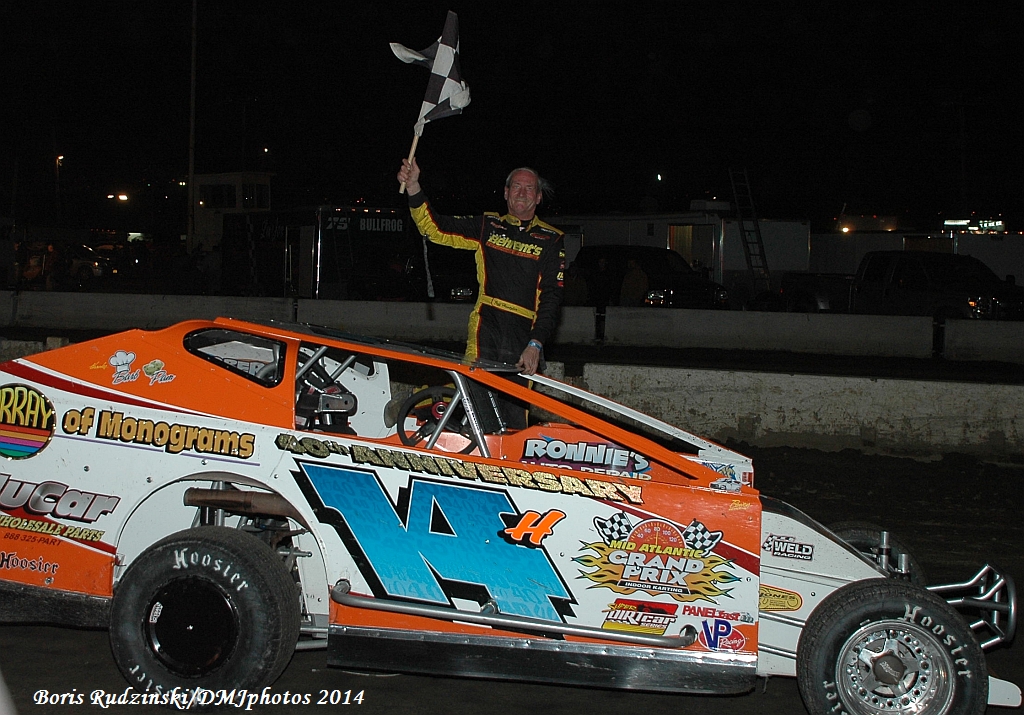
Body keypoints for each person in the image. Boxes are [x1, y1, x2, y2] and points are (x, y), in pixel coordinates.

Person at [397, 158, 564, 429]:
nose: (522, 192)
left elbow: (551, 299)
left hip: (524, 335)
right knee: (475, 396)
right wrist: (414, 186)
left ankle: (507, 465)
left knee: (513, 415)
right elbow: (434, 228)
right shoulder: (487, 226)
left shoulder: (552, 239)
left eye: (529, 188)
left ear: (539, 197)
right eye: (516, 187)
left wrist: (536, 344)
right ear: (506, 193)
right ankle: (424, 408)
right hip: (487, 326)